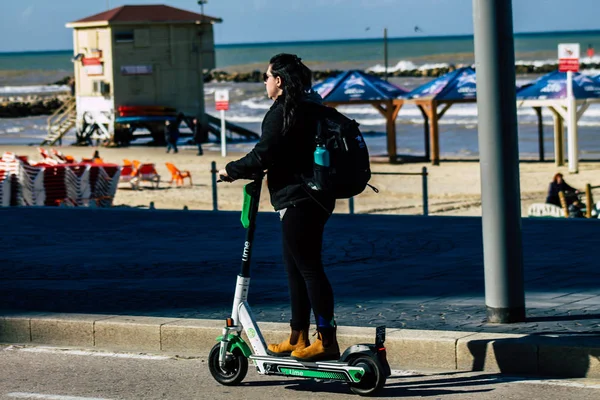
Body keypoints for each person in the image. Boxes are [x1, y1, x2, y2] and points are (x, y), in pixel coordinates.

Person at [218, 53, 339, 362]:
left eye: (267, 77)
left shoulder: (282, 112)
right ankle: (297, 337)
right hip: (316, 197)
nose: (265, 82)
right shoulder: (309, 109)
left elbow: (263, 154)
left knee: (309, 269)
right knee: (295, 268)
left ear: (279, 82)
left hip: (300, 200)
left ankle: (326, 340)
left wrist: (230, 170)